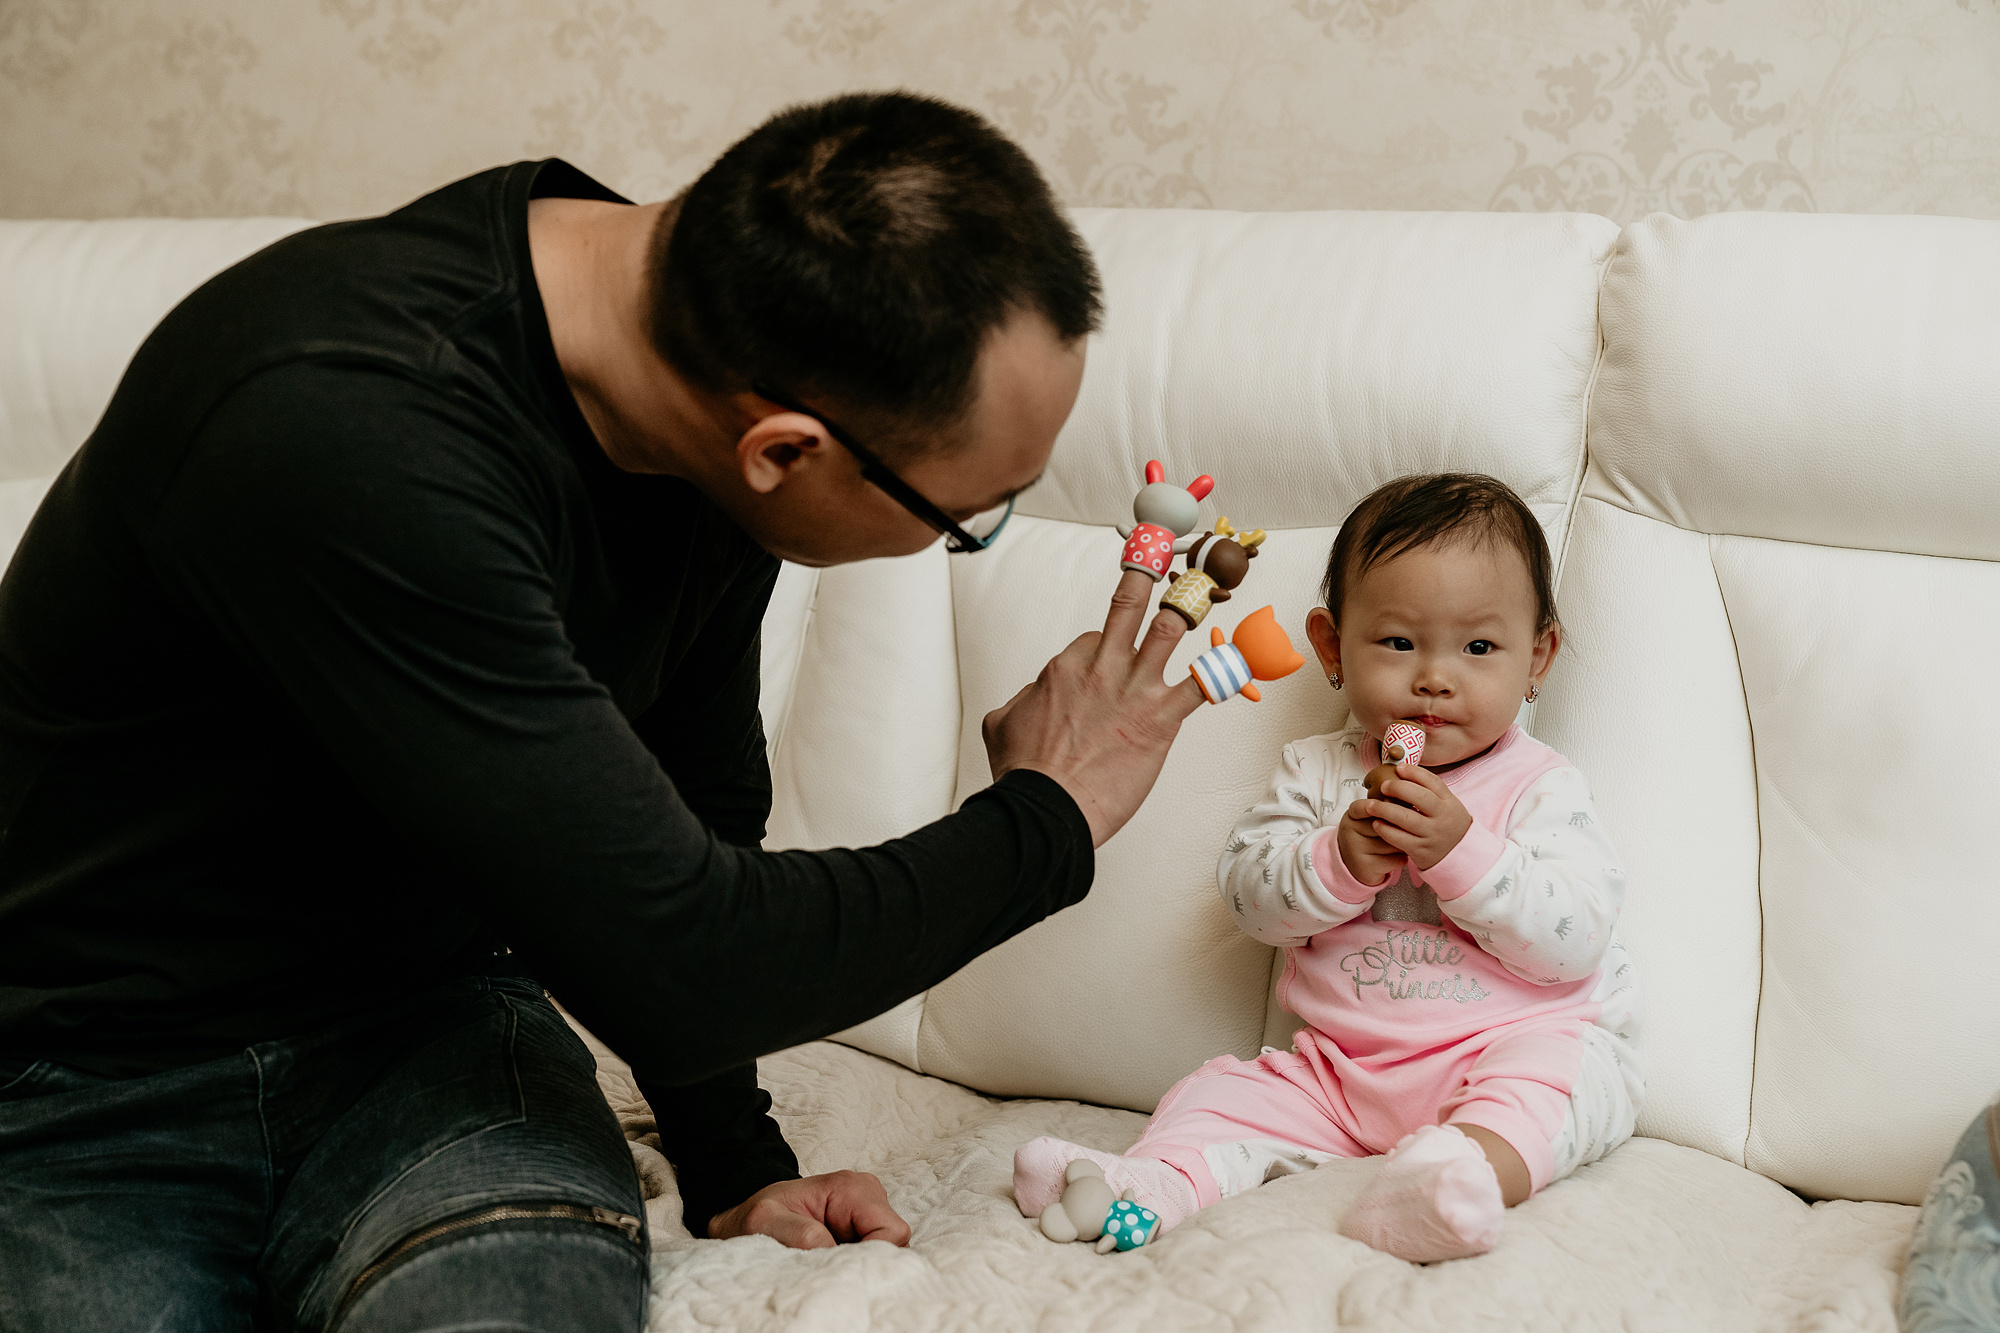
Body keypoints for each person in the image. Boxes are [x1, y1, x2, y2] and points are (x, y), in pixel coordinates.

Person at [0, 92, 1207, 1331]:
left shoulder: (697, 365)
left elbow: (695, 821)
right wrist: (1047, 817)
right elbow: (687, 960)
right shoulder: (342, 420)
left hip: (431, 1037)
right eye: (972, 514)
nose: (976, 534)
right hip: (81, 1082)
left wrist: (734, 1163)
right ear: (783, 452)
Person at [1013, 473, 1644, 1263]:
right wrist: (1338, 859)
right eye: (1398, 642)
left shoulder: (1540, 785)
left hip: (1504, 1048)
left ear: (1537, 657)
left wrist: (1463, 852)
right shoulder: (1319, 774)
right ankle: (1141, 1184)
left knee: (1558, 1085)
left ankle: (1451, 1181)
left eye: (1480, 647)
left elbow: (1574, 939)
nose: (1435, 678)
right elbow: (1250, 899)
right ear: (1332, 647)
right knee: (1224, 1093)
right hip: (1341, 1072)